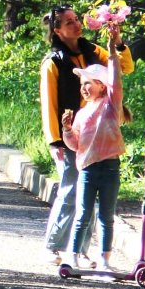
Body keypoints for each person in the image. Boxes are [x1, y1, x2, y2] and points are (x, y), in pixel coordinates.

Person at [38, 6, 133, 266]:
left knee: (90, 196)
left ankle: (81, 249)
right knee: (71, 192)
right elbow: (50, 104)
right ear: (57, 30)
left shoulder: (94, 51)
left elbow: (125, 67)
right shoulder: (53, 62)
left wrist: (118, 43)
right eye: (69, 22)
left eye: (76, 19)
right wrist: (55, 139)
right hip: (72, 136)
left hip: (98, 137)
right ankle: (54, 245)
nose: (76, 24)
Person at [62, 62, 125, 270]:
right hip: (87, 170)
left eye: (88, 83)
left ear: (102, 85)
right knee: (83, 215)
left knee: (106, 216)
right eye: (82, 84)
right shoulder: (81, 113)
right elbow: (76, 144)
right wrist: (68, 130)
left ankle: (105, 260)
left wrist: (112, 51)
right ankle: (73, 256)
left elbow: (116, 81)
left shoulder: (110, 106)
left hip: (110, 168)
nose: (84, 88)